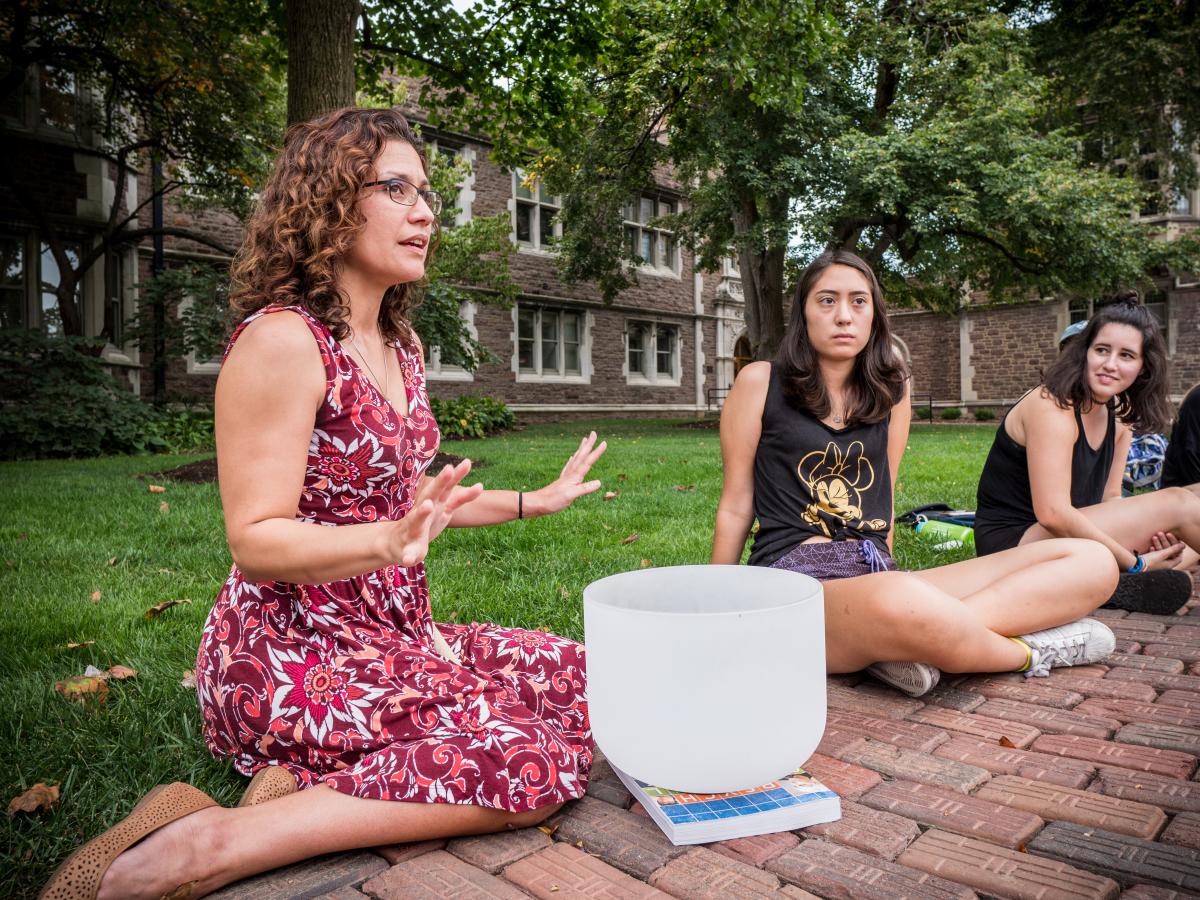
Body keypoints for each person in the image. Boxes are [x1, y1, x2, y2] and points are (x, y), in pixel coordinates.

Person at [41, 107, 606, 900]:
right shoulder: (282, 341)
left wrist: (531, 501)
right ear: (331, 204)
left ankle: (294, 778)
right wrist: (382, 543)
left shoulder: (400, 347)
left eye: (429, 194)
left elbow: (411, 501)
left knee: (588, 680)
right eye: (398, 189)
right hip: (290, 653)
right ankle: (208, 841)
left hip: (394, 635)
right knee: (531, 763)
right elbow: (257, 539)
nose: (425, 213)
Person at [712, 249, 1118, 699]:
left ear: (874, 315)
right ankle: (1027, 652)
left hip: (877, 577)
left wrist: (890, 576)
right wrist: (717, 609)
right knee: (901, 601)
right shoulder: (760, 381)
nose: (844, 315)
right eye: (827, 301)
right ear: (803, 313)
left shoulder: (893, 389)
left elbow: (882, 499)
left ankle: (901, 641)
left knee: (1091, 560)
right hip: (797, 584)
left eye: (858, 301)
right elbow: (735, 505)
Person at [974, 297, 1200, 586]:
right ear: (1085, 353)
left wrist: (1147, 530)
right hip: (1013, 544)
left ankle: (1130, 581)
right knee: (1178, 503)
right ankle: (1133, 577)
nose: (1109, 364)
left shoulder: (1119, 415)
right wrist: (1136, 562)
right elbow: (1053, 514)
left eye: (1126, 355)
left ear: (1144, 367)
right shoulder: (1051, 405)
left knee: (1194, 498)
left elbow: (1110, 499)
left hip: (1069, 536)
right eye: (1102, 350)